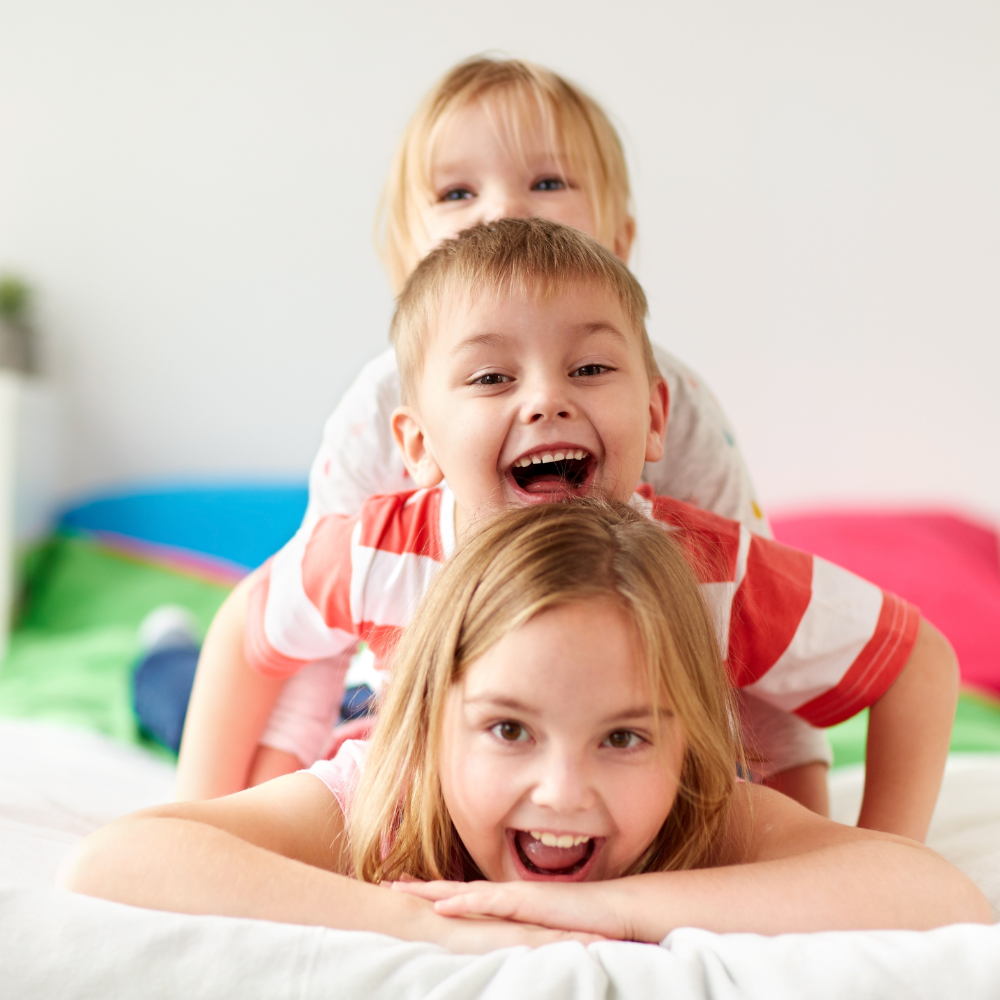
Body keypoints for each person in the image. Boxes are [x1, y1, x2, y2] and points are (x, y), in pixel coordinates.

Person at [175, 56, 835, 807]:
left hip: (599, 709)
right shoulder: (377, 411)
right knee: (186, 702)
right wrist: (247, 804)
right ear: (409, 268)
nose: (502, 213)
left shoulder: (667, 402)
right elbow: (311, 633)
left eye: (547, 183)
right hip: (414, 695)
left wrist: (798, 802)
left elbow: (749, 614)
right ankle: (166, 657)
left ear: (619, 243)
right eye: (457, 191)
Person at [183, 218, 957, 846]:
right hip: (375, 731)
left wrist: (881, 847)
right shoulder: (375, 552)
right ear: (417, 446)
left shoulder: (711, 573)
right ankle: (161, 652)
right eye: (493, 377)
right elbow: (247, 629)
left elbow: (916, 661)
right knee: (173, 691)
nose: (547, 400)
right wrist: (198, 809)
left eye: (589, 369)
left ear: (655, 419)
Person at [61, 500, 991, 953]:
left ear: (685, 741)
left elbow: (933, 894)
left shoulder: (694, 806)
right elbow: (114, 860)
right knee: (175, 698)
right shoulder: (386, 789)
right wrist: (429, 927)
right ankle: (163, 640)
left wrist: (608, 908)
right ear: (436, 726)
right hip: (356, 711)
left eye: (624, 737)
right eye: (509, 730)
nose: (562, 792)